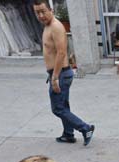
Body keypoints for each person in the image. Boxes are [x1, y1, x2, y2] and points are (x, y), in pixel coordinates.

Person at [33, 0, 95, 146]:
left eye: (43, 11)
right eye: (37, 12)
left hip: (60, 74)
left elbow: (61, 53)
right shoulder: (47, 26)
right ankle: (68, 134)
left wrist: (54, 78)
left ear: (51, 10)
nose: (41, 15)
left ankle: (86, 129)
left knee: (58, 109)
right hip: (58, 74)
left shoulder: (56, 27)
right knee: (64, 106)